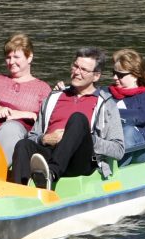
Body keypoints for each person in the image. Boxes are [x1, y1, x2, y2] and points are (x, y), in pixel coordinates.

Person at [11, 47, 125, 189]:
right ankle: (17, 192)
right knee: (23, 145)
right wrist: (44, 139)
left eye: (83, 69)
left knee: (78, 119)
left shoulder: (107, 104)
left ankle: (51, 174)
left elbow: (119, 150)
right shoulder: (53, 97)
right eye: (75, 66)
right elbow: (33, 135)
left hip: (81, 159)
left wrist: (86, 138)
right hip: (49, 153)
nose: (77, 72)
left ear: (96, 76)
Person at [0, 33, 52, 165]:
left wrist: (24, 114)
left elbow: (48, 122)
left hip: (19, 134)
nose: (11, 62)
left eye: (16, 57)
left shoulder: (43, 89)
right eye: (8, 57)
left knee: (10, 128)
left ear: (29, 57)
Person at [110, 48, 145, 165]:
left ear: (135, 75)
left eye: (120, 75)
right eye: (114, 73)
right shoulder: (105, 93)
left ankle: (113, 169)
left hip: (139, 148)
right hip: (109, 140)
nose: (115, 78)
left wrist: (110, 113)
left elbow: (140, 116)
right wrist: (64, 92)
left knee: (128, 130)